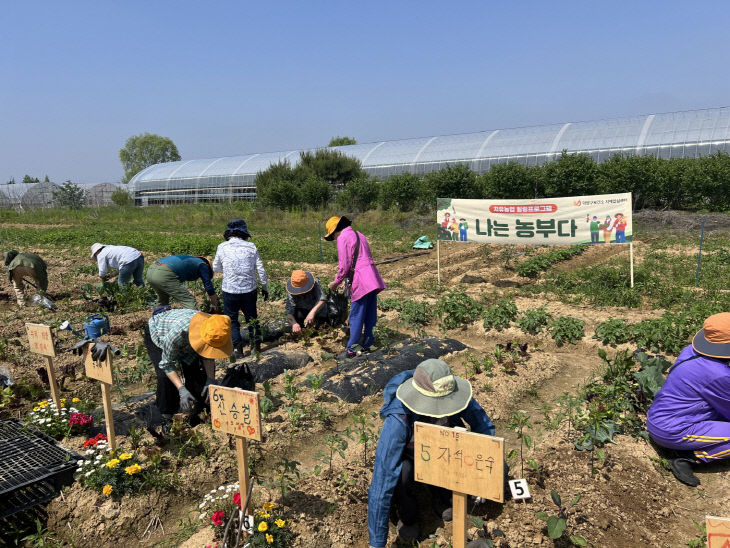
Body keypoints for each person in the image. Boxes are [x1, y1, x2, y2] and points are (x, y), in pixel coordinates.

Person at [367, 359, 496, 547]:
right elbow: (382, 479)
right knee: (401, 475)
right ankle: (407, 515)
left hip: (444, 452)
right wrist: (376, 543)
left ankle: (443, 497)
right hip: (411, 459)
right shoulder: (399, 417)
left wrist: (483, 476)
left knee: (470, 463)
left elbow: (483, 425)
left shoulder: (452, 390)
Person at [647, 312, 730, 487]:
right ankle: (688, 456)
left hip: (662, 418)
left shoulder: (690, 351)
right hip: (674, 430)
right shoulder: (718, 375)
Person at [144, 308, 232, 431]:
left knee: (195, 372)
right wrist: (181, 389)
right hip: (160, 332)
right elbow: (167, 364)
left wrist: (211, 379)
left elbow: (209, 353)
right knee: (165, 378)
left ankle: (200, 412)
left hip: (190, 336)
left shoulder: (216, 327)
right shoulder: (177, 333)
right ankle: (167, 418)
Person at [325, 216, 386, 358]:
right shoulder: (360, 235)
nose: (334, 239)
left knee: (356, 316)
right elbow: (360, 259)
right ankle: (368, 344)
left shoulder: (342, 238)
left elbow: (345, 265)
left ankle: (352, 349)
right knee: (370, 313)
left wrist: (336, 282)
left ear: (335, 232)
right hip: (372, 277)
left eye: (332, 236)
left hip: (361, 280)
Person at [213, 220, 268, 360]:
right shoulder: (251, 246)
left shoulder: (222, 247)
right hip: (249, 290)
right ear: (243, 233)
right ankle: (256, 348)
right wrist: (265, 287)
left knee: (232, 320)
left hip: (229, 290)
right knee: (252, 318)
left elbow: (216, 268)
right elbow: (260, 269)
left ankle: (238, 350)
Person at [146, 254, 219, 312]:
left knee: (163, 300)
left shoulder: (190, 259)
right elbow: (208, 286)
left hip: (150, 271)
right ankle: (191, 325)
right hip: (164, 274)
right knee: (189, 300)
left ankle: (159, 323)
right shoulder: (203, 265)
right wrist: (214, 304)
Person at [286, 270, 328, 335]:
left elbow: (322, 299)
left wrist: (312, 313)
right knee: (298, 320)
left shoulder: (315, 284)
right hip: (302, 311)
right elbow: (289, 312)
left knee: (322, 322)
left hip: (317, 310)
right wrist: (294, 323)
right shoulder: (291, 293)